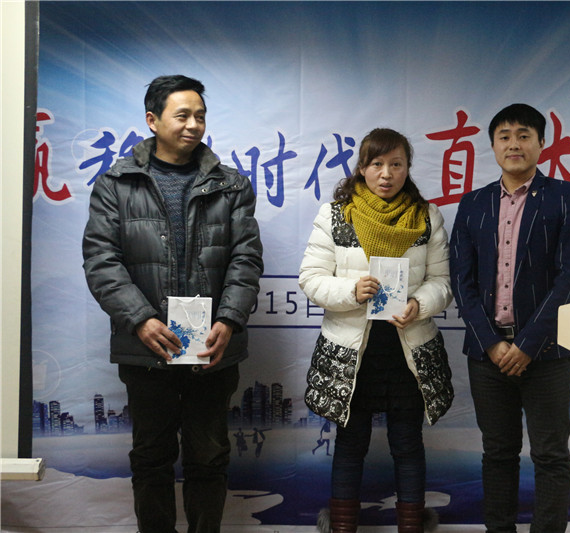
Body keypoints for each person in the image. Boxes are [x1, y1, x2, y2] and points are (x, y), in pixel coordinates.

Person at [82, 74, 264, 533]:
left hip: (211, 348)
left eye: (200, 116)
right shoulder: (116, 183)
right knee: (151, 458)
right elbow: (102, 260)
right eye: (182, 115)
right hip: (146, 348)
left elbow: (245, 258)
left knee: (209, 457)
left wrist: (229, 319)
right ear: (152, 120)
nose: (193, 124)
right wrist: (141, 320)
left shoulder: (231, 185)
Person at [299, 128, 454, 533]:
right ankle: (342, 527)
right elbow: (311, 279)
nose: (386, 173)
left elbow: (442, 282)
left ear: (407, 168)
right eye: (377, 164)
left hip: (408, 351)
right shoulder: (335, 214)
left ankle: (412, 526)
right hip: (353, 353)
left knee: (408, 445)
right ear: (362, 168)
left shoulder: (426, 217)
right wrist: (351, 291)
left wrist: (419, 305)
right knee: (350, 446)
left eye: (396, 164)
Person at [449, 104, 570, 533]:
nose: (514, 144)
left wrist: (528, 344)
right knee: (498, 454)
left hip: (545, 353)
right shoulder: (473, 204)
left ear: (541, 143)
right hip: (487, 354)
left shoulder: (566, 197)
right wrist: (492, 342)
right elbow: (461, 280)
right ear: (493, 146)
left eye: (524, 135)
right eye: (505, 136)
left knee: (550, 455)